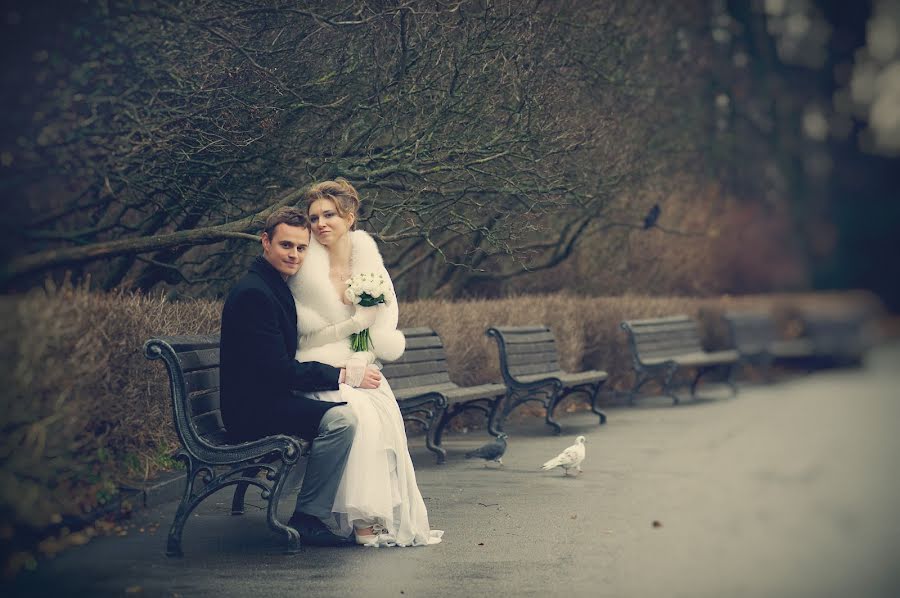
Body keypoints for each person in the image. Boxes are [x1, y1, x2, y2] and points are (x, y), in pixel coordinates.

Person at [287, 179, 443, 547]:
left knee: (380, 410)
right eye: (314, 217)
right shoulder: (302, 266)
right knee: (357, 412)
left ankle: (377, 514)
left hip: (358, 362)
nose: (321, 223)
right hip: (315, 365)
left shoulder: (371, 267)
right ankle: (360, 519)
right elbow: (302, 337)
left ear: (350, 216)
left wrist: (360, 360)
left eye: (329, 214)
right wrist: (351, 328)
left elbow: (383, 326)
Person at [219, 206, 383, 547]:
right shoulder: (254, 294)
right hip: (252, 411)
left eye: (300, 247)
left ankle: (317, 513)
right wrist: (342, 375)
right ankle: (309, 516)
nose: (294, 254)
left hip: (268, 398)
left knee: (347, 411)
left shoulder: (271, 284)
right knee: (342, 420)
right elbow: (278, 371)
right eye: (286, 246)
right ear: (265, 242)